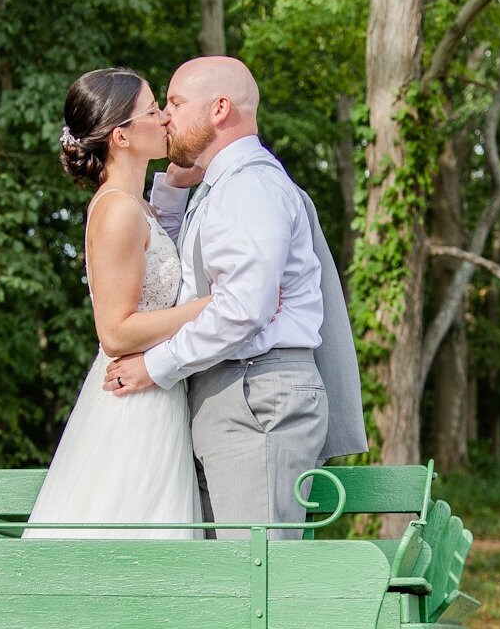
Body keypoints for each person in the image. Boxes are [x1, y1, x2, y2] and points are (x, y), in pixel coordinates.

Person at [105, 55, 367, 537]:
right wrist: (172, 187)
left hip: (256, 396)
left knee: (254, 583)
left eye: (176, 103)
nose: (165, 116)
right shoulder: (224, 187)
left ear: (220, 108)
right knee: (230, 583)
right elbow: (178, 276)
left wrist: (154, 366)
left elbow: (241, 310)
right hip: (236, 394)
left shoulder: (249, 187)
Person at [23, 68, 207, 539]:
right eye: (152, 110)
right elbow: (115, 332)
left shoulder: (134, 203)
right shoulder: (118, 211)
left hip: (155, 395)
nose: (166, 117)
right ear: (122, 135)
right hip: (132, 406)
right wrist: (212, 306)